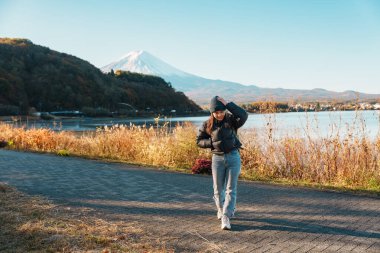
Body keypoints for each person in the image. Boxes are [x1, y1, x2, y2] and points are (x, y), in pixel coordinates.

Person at [196, 96, 248, 230]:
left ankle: (226, 215)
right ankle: (220, 208)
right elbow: (199, 141)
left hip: (233, 157)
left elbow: (243, 115)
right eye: (216, 112)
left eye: (221, 111)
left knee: (231, 189)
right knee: (218, 189)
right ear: (212, 112)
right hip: (217, 159)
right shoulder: (207, 124)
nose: (219, 114)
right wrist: (211, 143)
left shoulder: (231, 120)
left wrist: (228, 104)